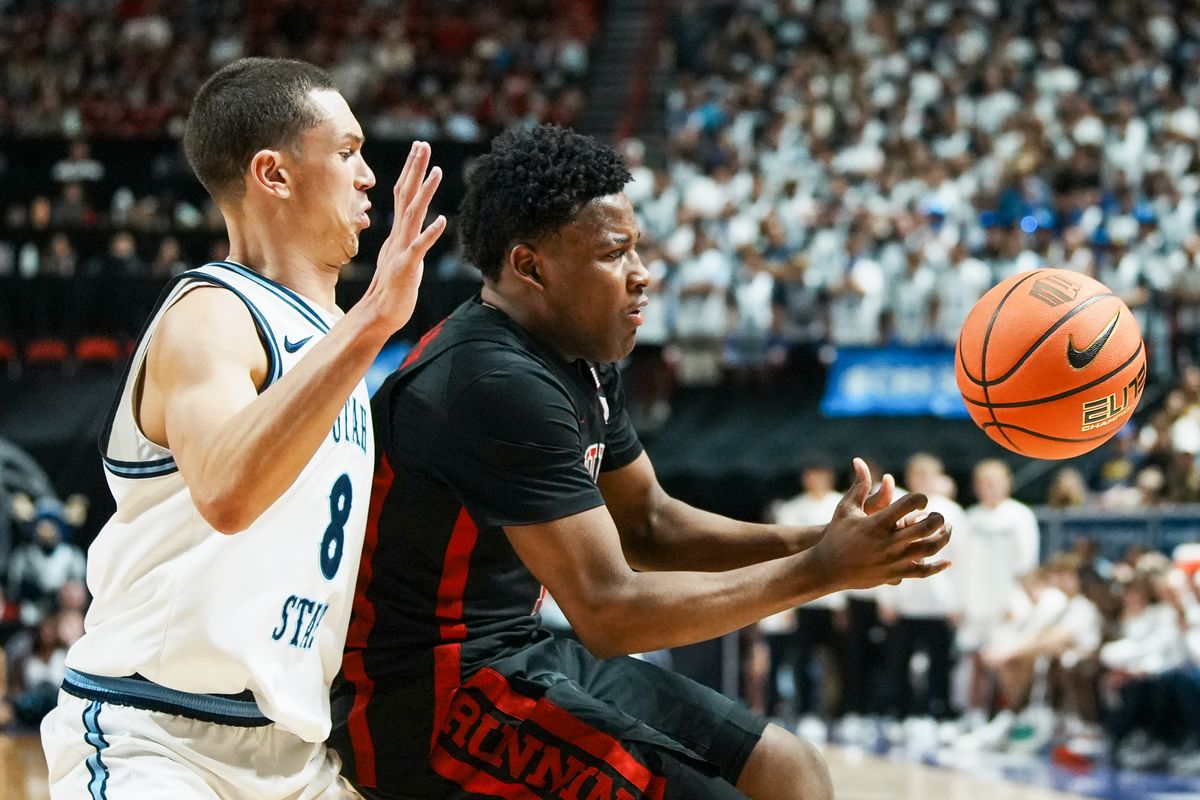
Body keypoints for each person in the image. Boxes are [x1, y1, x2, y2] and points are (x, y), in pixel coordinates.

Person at [330, 125, 952, 800]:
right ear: (530, 266)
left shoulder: (582, 357)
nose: (642, 273)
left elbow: (649, 526)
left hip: (515, 653)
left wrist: (825, 540)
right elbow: (610, 610)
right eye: (614, 252)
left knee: (788, 768)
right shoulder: (491, 381)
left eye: (638, 248)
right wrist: (822, 570)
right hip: (422, 696)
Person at [40, 57, 446, 799]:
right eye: (347, 151)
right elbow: (228, 494)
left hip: (294, 751)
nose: (367, 178)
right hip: (155, 739)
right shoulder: (211, 313)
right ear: (275, 174)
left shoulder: (335, 339)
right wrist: (372, 324)